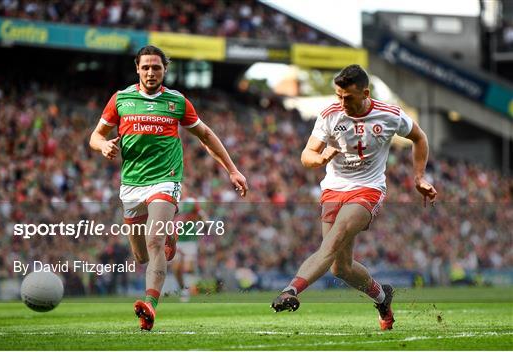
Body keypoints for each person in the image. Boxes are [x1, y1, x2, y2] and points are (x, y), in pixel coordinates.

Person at [89, 45, 248, 331]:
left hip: (166, 179)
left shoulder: (177, 102)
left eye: (157, 67)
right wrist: (103, 145)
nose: (151, 72)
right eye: (146, 67)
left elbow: (206, 135)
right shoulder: (121, 99)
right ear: (137, 69)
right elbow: (95, 136)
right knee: (141, 256)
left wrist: (233, 170)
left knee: (153, 241)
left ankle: (150, 304)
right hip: (131, 185)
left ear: (165, 70)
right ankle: (167, 235)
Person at [271, 64, 437, 330]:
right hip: (334, 189)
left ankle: (291, 289)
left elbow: (419, 137)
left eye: (347, 97)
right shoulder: (330, 115)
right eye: (338, 96)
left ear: (365, 93)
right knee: (340, 268)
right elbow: (306, 155)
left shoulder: (389, 115)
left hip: (368, 188)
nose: (342, 102)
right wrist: (319, 158)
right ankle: (382, 297)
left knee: (333, 241)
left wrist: (419, 177)